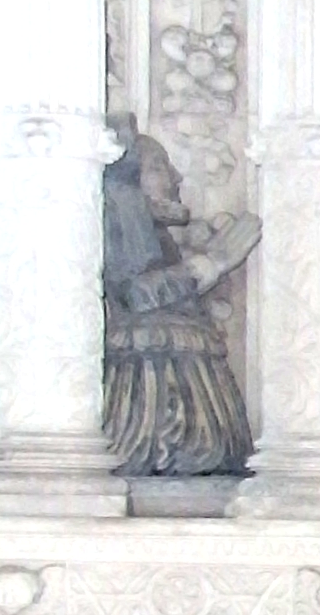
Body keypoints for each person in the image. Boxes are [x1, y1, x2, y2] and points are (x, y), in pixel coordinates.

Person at [102, 119, 254, 476]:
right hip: (150, 380)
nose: (175, 177)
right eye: (158, 167)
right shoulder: (119, 221)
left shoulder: (159, 236)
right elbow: (136, 293)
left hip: (186, 372)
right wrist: (212, 262)